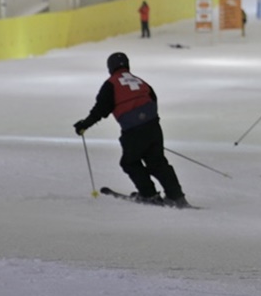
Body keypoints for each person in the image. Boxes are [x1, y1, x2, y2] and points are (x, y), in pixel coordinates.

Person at [74, 52, 188, 207]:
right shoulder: (140, 81)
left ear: (110, 68)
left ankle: (149, 195)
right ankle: (176, 197)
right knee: (158, 163)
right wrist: (148, 125)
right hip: (154, 127)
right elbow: (153, 99)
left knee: (130, 162)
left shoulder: (111, 84)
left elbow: (100, 109)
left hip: (134, 131)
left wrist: (84, 125)